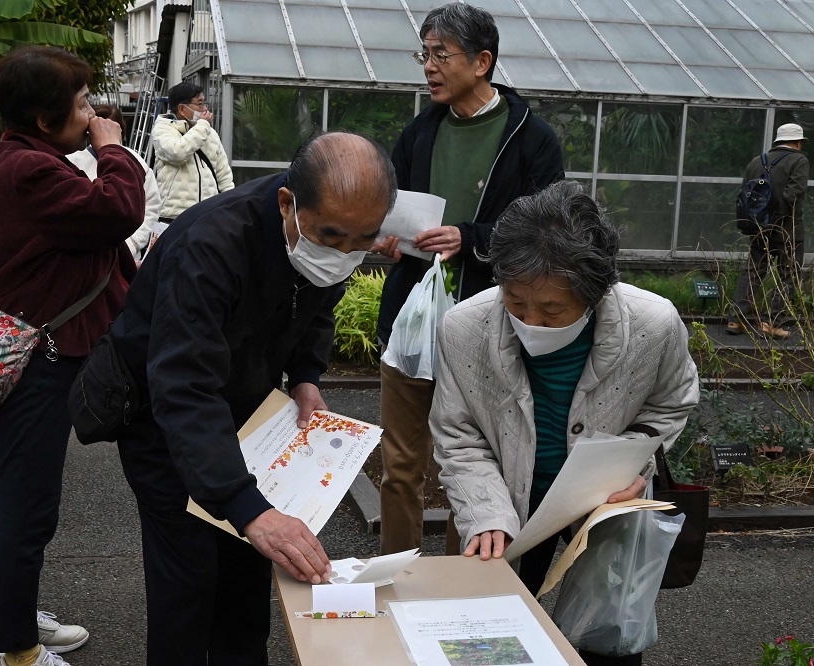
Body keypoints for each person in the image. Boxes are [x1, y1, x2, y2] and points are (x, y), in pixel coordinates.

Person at [110, 131, 397, 665]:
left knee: (245, 581)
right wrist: (249, 507)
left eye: (361, 242)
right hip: (163, 421)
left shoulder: (326, 235)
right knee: (189, 582)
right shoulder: (211, 245)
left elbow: (315, 304)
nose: (342, 255)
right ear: (287, 203)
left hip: (249, 423)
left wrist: (307, 377)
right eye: (331, 237)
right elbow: (184, 386)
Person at [431, 180, 700, 665]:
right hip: (509, 503)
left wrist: (632, 460)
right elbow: (458, 433)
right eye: (515, 301)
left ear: (595, 293)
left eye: (553, 309)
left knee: (608, 638)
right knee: (490, 640)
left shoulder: (653, 324)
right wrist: (485, 511)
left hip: (603, 503)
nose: (531, 319)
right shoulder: (464, 328)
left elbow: (672, 401)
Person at [0, 46, 146, 666]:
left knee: (32, 502)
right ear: (46, 119)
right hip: (37, 363)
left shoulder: (27, 157)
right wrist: (112, 149)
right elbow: (119, 209)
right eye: (80, 103)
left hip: (54, 350)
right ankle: (13, 644)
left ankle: (17, 615)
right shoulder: (30, 170)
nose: (92, 112)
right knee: (28, 504)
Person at [373, 1, 565, 555]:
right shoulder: (418, 134)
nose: (429, 67)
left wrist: (471, 238)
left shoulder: (531, 138)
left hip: (490, 322)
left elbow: (547, 229)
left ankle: (467, 581)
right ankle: (397, 574)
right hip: (413, 314)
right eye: (424, 54)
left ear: (482, 62)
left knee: (480, 463)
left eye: (441, 55)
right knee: (401, 462)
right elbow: (396, 206)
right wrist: (390, 239)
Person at [727, 122, 809, 340]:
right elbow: (794, 193)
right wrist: (776, 219)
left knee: (753, 271)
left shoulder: (756, 162)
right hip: (787, 228)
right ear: (798, 142)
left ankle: (736, 319)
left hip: (758, 227)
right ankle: (772, 322)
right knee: (789, 275)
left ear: (777, 141)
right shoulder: (799, 160)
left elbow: (744, 194)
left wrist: (760, 222)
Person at [66, 104, 162, 261]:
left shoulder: (136, 162)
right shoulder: (73, 160)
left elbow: (151, 206)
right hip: (87, 259)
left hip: (128, 257)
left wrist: (131, 244)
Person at [152, 81, 234, 222]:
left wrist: (232, 206)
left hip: (207, 215)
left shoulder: (210, 133)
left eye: (204, 103)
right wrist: (203, 125)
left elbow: (224, 175)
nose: (205, 109)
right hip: (173, 216)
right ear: (182, 109)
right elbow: (178, 153)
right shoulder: (162, 130)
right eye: (200, 103)